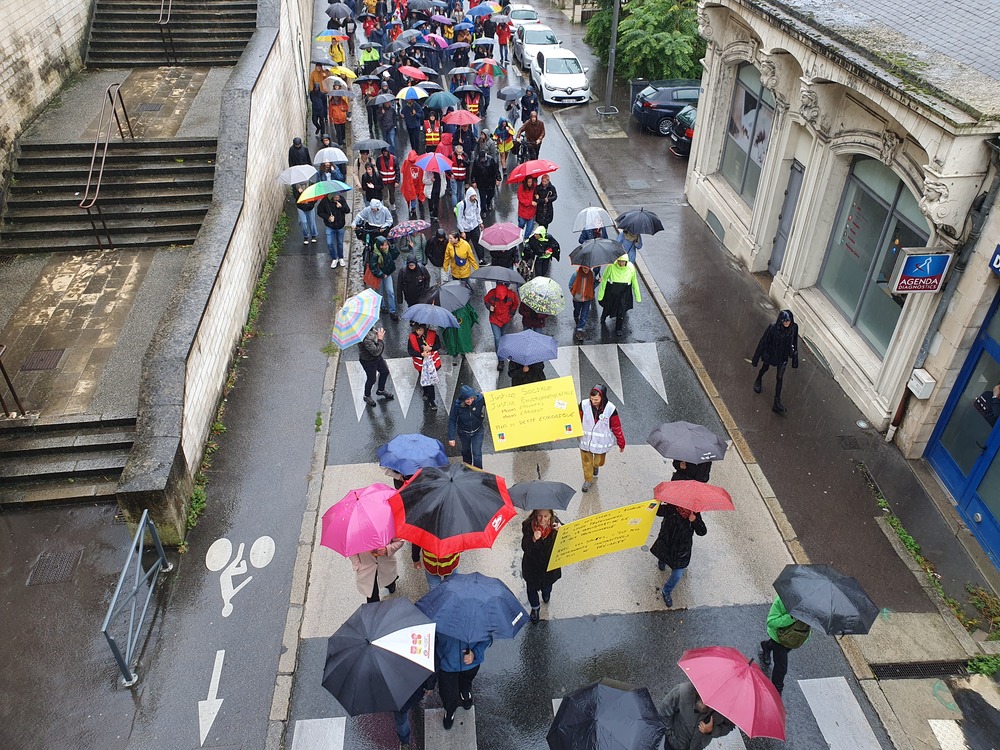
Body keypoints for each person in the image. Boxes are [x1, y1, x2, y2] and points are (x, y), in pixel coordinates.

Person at [650, 502, 706, 608]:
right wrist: (657, 502)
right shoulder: (671, 507)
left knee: (677, 575)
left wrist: (695, 521)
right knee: (663, 557)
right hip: (666, 544)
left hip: (681, 551)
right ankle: (662, 561)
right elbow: (656, 511)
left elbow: (702, 531)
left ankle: (666, 591)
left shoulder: (694, 514)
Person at [436, 632, 493, 729]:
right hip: (447, 663)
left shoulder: (479, 618)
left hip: (471, 663)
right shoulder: (436, 620)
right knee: (448, 693)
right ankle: (450, 710)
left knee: (466, 681)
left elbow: (487, 636)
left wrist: (475, 652)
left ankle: (465, 691)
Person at [758, 594, 811, 695]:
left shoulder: (811, 604)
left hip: (795, 639)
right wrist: (791, 617)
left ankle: (767, 646)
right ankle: (776, 692)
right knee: (781, 668)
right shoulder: (781, 600)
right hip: (779, 639)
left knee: (784, 651)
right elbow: (771, 622)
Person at [661, 681, 736, 750]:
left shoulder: (727, 709)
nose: (705, 702)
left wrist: (712, 730)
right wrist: (671, 735)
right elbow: (664, 713)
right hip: (673, 744)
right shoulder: (682, 692)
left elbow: (729, 726)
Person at [751, 309, 799, 414]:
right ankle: (759, 378)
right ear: (781, 320)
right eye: (785, 321)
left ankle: (777, 402)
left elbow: (794, 343)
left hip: (783, 356)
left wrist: (795, 359)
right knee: (765, 368)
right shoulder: (773, 328)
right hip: (771, 354)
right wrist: (756, 358)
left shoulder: (794, 328)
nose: (787, 323)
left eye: (789, 321)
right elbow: (763, 342)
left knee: (780, 377)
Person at [578, 384, 624, 492]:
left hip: (601, 443)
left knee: (598, 462)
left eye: (596, 399)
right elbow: (575, 421)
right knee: (586, 463)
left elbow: (616, 427)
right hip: (585, 441)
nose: (593, 401)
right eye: (592, 399)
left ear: (602, 397)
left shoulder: (610, 409)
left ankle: (596, 466)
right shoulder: (584, 405)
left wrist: (621, 443)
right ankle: (588, 480)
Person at [521, 509, 562, 623]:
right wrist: (534, 539)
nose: (542, 520)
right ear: (535, 515)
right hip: (532, 567)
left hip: (549, 567)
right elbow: (525, 547)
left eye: (545, 516)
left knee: (547, 586)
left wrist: (561, 532)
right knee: (531, 589)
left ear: (550, 516)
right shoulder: (528, 525)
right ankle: (535, 608)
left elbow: (567, 542)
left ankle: (546, 594)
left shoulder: (556, 525)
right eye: (539, 516)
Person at [597, 254, 641, 337]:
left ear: (626, 261)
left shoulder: (631, 267)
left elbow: (634, 281)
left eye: (623, 261)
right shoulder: (611, 266)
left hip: (624, 291)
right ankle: (603, 316)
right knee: (608, 306)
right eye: (619, 261)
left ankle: (618, 328)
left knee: (622, 310)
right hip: (612, 291)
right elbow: (604, 279)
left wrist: (637, 296)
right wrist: (600, 295)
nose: (621, 263)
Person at [448, 384, 487, 468]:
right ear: (462, 399)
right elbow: (452, 419)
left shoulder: (479, 399)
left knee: (477, 454)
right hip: (463, 432)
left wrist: (487, 396)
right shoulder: (457, 405)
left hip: (478, 431)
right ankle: (468, 469)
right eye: (467, 399)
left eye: (471, 398)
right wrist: (451, 437)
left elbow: (492, 404)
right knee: (466, 451)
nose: (470, 401)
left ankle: (478, 472)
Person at [484, 282, 519, 370]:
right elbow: (486, 300)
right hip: (494, 319)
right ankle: (501, 360)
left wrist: (510, 315)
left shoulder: (511, 295)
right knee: (497, 339)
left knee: (501, 338)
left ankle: (501, 353)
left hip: (505, 320)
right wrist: (489, 306)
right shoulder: (492, 293)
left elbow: (515, 304)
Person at [394, 676, 435, 750]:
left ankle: (405, 742)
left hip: (396, 695)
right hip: (415, 687)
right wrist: (429, 686)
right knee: (401, 716)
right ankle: (404, 742)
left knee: (400, 718)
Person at [358, 325, 395, 406]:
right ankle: (367, 396)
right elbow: (376, 352)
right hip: (368, 361)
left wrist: (376, 335)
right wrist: (380, 339)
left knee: (384, 372)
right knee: (371, 379)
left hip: (376, 358)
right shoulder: (366, 339)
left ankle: (381, 390)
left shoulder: (369, 330)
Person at [368, 236, 400, 320]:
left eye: (386, 245)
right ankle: (382, 306)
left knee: (390, 292)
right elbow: (373, 267)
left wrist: (393, 247)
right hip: (380, 276)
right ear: (380, 246)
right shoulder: (375, 255)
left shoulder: (388, 250)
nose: (386, 247)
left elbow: (395, 255)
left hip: (387, 274)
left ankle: (392, 311)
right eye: (384, 245)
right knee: (380, 292)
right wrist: (381, 274)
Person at [316, 191, 350, 268]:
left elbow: (347, 210)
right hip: (330, 226)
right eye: (336, 197)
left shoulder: (341, 200)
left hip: (340, 226)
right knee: (329, 243)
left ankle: (341, 257)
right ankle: (334, 258)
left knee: (340, 243)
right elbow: (319, 212)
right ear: (332, 197)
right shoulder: (324, 201)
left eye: (338, 197)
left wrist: (341, 207)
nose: (338, 199)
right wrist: (328, 217)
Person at [442, 301, 478, 366]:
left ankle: (460, 352)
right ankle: (457, 353)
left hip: (459, 323)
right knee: (454, 339)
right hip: (454, 326)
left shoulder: (463, 305)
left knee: (457, 339)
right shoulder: (462, 304)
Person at [568, 264, 597, 342]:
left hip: (587, 298)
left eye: (587, 268)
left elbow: (592, 286)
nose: (586, 270)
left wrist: (598, 282)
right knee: (577, 310)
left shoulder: (592, 274)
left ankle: (580, 329)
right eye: (584, 268)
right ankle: (576, 316)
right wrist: (574, 293)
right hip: (577, 299)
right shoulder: (576, 274)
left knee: (584, 314)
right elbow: (570, 285)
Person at [470, 147, 501, 213]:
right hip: (481, 182)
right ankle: (483, 211)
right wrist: (473, 181)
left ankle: (488, 203)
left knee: (491, 195)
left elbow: (496, 170)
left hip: (490, 181)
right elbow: (474, 172)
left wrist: (498, 179)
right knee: (482, 197)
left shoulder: (491, 159)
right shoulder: (476, 161)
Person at [401, 149, 427, 219]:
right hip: (418, 180)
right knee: (418, 192)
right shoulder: (419, 161)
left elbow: (403, 171)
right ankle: (418, 202)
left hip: (410, 182)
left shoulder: (406, 162)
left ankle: (413, 207)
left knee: (412, 195)